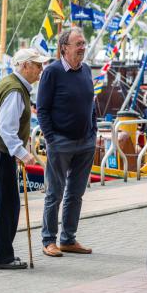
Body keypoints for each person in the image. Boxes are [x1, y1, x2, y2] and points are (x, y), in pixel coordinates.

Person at [0, 48, 48, 269]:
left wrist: (17, 151)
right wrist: (24, 155)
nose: (40, 70)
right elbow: (6, 129)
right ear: (25, 66)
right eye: (37, 65)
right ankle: (1, 256)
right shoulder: (15, 91)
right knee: (7, 205)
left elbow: (8, 128)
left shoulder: (12, 85)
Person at [37, 27, 97, 257]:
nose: (83, 47)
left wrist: (92, 132)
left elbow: (91, 104)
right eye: (78, 44)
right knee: (55, 193)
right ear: (64, 48)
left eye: (83, 43)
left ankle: (68, 239)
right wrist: (51, 139)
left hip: (85, 143)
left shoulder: (86, 71)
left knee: (75, 194)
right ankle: (48, 240)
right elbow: (41, 109)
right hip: (60, 142)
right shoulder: (52, 72)